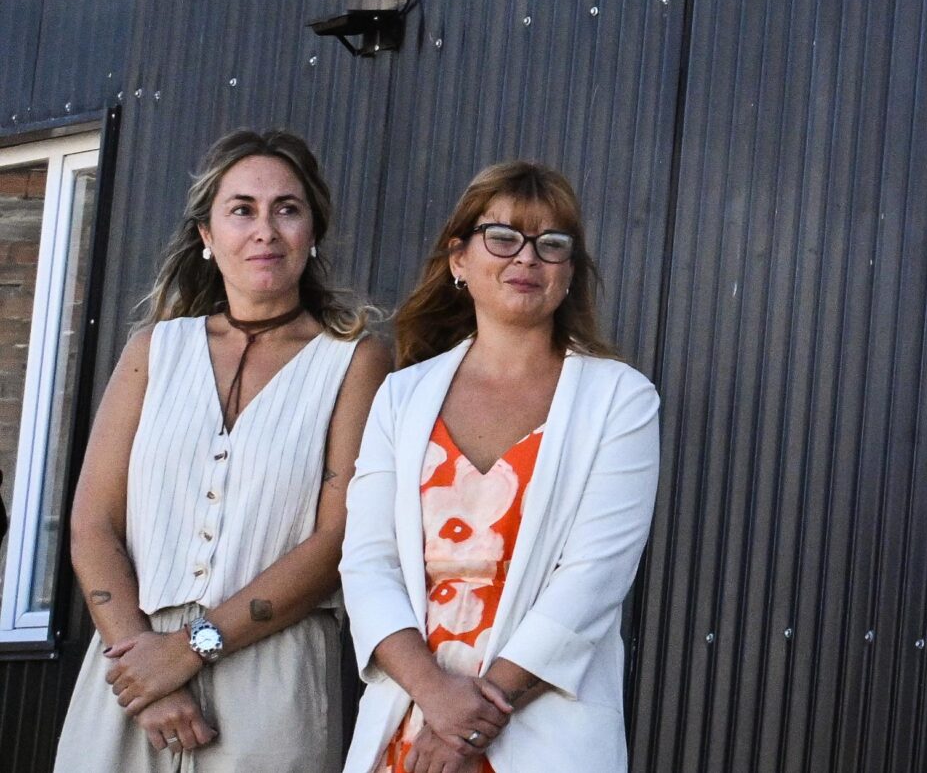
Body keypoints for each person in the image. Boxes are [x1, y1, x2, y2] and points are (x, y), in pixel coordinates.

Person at [58, 129, 389, 771]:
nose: (265, 230)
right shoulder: (153, 351)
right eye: (242, 209)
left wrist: (189, 650)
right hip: (130, 670)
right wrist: (147, 673)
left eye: (286, 209)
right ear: (207, 235)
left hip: (273, 675)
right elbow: (92, 523)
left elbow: (337, 540)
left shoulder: (355, 361)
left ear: (313, 232)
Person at [339, 161, 660, 773]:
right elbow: (367, 563)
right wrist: (435, 698)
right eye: (503, 237)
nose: (527, 258)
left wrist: (468, 726)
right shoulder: (401, 396)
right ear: (458, 259)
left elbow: (593, 580)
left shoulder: (621, 399)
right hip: (411, 717)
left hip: (539, 728)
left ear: (570, 271)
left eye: (551, 243)